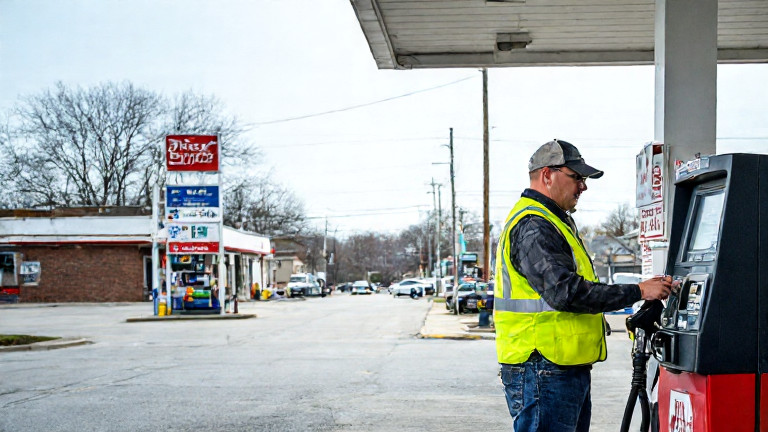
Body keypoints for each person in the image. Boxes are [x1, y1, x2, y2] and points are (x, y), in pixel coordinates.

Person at [494, 139, 676, 432]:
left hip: (559, 367)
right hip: (543, 367)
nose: (583, 187)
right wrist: (639, 291)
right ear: (547, 175)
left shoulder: (554, 222)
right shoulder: (534, 225)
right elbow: (566, 292)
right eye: (576, 177)